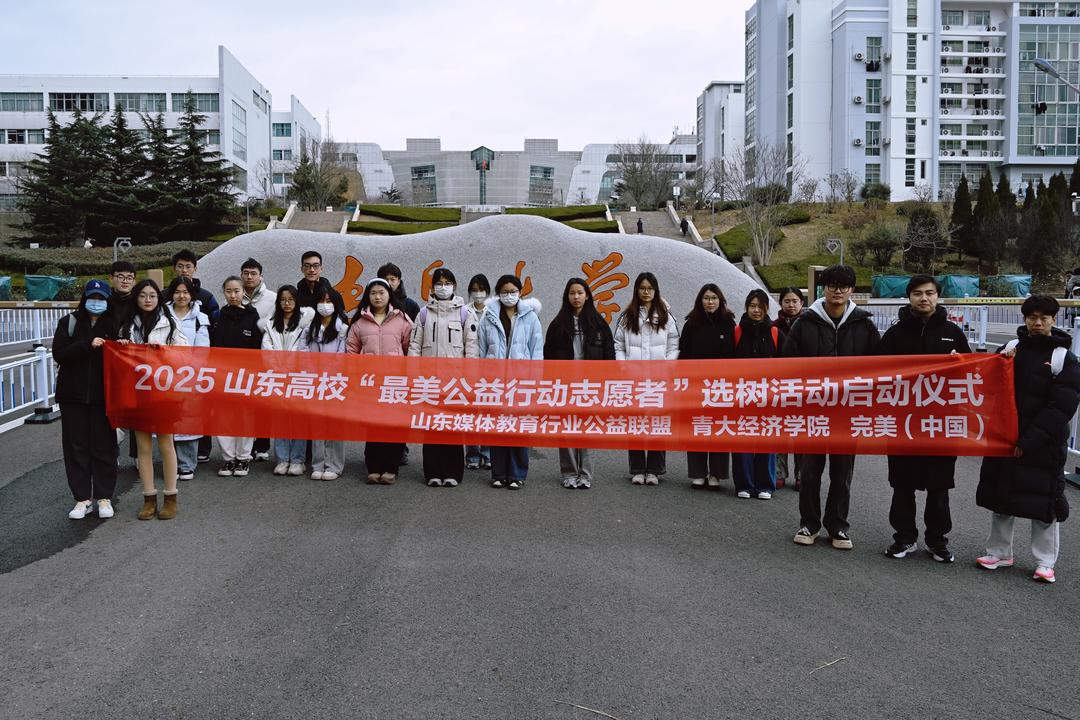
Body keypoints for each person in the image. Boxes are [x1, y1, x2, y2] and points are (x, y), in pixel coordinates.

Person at [976, 294, 1079, 584]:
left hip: (1044, 443)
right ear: (1024, 319)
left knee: (1045, 504)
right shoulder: (1010, 348)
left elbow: (1062, 407)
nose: (1037, 323)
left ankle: (1045, 562)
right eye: (1032, 317)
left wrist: (1029, 441)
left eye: (1044, 318)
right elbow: (986, 384)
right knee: (1001, 497)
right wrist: (1000, 363)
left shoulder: (1063, 358)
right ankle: (998, 552)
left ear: (1054, 320)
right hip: (1005, 438)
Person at [783, 264, 879, 550]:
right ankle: (809, 524)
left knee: (842, 473)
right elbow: (788, 365)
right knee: (810, 471)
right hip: (812, 411)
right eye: (832, 285)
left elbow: (880, 366)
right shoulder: (805, 323)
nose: (838, 291)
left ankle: (838, 526)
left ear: (852, 290)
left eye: (844, 286)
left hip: (848, 413)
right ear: (823, 289)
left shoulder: (863, 325)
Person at [877, 275, 971, 562]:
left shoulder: (953, 333)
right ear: (909, 297)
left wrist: (960, 363)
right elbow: (878, 374)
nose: (924, 298)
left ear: (937, 296)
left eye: (930, 293)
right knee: (902, 485)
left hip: (941, 423)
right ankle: (904, 538)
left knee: (939, 486)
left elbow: (972, 373)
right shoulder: (894, 335)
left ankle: (937, 541)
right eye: (917, 293)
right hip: (904, 422)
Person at [118, 279, 188, 520]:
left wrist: (163, 351)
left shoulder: (169, 323)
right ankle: (148, 499)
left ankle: (170, 497)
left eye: (152, 296)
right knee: (143, 448)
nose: (148, 300)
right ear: (136, 298)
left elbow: (184, 354)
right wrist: (123, 346)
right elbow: (119, 362)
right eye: (143, 295)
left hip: (163, 392)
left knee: (166, 444)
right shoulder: (127, 325)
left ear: (159, 299)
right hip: (138, 393)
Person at [408, 268, 479, 487]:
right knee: (431, 427)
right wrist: (414, 377)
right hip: (429, 382)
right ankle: (432, 472)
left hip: (455, 383)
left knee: (452, 427)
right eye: (439, 283)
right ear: (432, 288)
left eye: (447, 283)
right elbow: (414, 347)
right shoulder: (423, 314)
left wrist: (470, 380)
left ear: (454, 286)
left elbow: (472, 348)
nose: (443, 287)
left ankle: (452, 473)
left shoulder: (465, 313)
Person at [54, 280, 119, 520]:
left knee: (104, 447)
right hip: (72, 396)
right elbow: (59, 353)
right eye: (93, 297)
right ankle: (82, 499)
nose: (97, 302)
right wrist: (86, 346)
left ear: (108, 301)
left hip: (104, 398)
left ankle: (104, 497)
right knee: (76, 447)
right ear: (85, 298)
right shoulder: (69, 322)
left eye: (101, 298)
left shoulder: (114, 324)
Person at [544, 277, 615, 489]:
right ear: (567, 297)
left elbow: (609, 356)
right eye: (572, 293)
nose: (576, 297)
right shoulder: (557, 325)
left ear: (587, 296)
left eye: (580, 293)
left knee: (586, 429)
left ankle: (585, 474)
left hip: (590, 386)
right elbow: (548, 358)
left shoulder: (599, 324)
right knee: (566, 429)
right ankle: (569, 473)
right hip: (565, 385)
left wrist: (606, 384)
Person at [478, 274, 544, 489]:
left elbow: (536, 350)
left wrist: (535, 382)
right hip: (495, 382)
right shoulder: (488, 316)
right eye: (504, 292)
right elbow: (481, 350)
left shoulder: (530, 317)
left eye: (513, 291)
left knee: (519, 427)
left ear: (520, 292)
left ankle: (517, 474)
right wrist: (481, 379)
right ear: (498, 293)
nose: (509, 295)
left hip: (521, 381)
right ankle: (498, 473)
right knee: (497, 427)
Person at [614, 272, 680, 485]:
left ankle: (654, 470)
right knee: (635, 423)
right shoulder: (627, 316)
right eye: (642, 288)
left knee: (657, 423)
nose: (646, 292)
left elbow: (674, 345)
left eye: (650, 288)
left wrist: (667, 367)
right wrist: (623, 367)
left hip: (658, 380)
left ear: (655, 290)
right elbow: (618, 345)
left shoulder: (666, 316)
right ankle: (637, 469)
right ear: (636, 290)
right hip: (634, 379)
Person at [347, 278, 414, 484]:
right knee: (373, 425)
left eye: (382, 293)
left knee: (394, 425)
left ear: (389, 295)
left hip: (395, 383)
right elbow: (351, 351)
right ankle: (374, 467)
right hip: (371, 383)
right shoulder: (359, 322)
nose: (377, 297)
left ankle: (391, 468)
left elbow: (410, 349)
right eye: (373, 293)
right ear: (368, 296)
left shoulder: (402, 320)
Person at [679, 283, 735, 490]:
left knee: (719, 428)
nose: (710, 302)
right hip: (696, 386)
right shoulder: (691, 324)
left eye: (714, 298)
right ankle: (698, 473)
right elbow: (683, 354)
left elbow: (735, 356)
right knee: (698, 426)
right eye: (706, 298)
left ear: (720, 300)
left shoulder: (729, 323)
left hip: (721, 386)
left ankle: (716, 474)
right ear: (700, 301)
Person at [732, 289, 784, 500]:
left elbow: (786, 364)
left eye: (760, 307)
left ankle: (765, 485)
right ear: (746, 308)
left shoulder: (775, 333)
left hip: (768, 395)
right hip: (742, 394)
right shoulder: (737, 332)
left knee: (766, 439)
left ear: (766, 309)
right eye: (752, 306)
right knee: (742, 439)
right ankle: (744, 484)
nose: (756, 310)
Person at [211, 276, 263, 477]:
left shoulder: (253, 316)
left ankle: (243, 458)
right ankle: (228, 459)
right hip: (221, 376)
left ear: (243, 293)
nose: (233, 295)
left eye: (236, 291)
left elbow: (258, 349)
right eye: (229, 291)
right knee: (223, 418)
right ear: (224, 293)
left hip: (246, 377)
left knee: (245, 418)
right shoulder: (217, 316)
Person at [263, 285, 315, 475]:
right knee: (281, 419)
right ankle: (282, 459)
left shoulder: (305, 323)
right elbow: (266, 348)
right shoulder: (270, 323)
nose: (287, 303)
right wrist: (278, 368)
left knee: (298, 419)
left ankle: (298, 460)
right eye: (283, 300)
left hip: (298, 377)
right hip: (276, 377)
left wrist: (290, 367)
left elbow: (303, 349)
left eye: (291, 299)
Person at [302, 288, 350, 481]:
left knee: (335, 425)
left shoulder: (343, 328)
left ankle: (334, 465)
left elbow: (342, 355)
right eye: (321, 301)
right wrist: (312, 372)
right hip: (314, 382)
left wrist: (328, 372)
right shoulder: (309, 328)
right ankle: (318, 464)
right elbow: (303, 351)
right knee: (318, 425)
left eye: (329, 301)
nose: (325, 305)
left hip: (335, 383)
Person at [165, 277, 210, 482]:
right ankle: (170, 463)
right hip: (166, 375)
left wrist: (190, 371)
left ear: (192, 294)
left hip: (190, 376)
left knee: (188, 421)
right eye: (177, 292)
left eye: (185, 292)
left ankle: (186, 464)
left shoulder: (200, 317)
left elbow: (202, 350)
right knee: (168, 420)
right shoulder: (162, 314)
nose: (181, 296)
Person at [239, 257, 274, 462]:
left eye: (253, 273)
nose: (249, 277)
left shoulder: (273, 298)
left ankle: (262, 446)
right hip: (242, 359)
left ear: (261, 276)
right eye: (246, 273)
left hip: (264, 358)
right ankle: (245, 446)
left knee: (263, 405)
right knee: (244, 404)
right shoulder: (235, 296)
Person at [773, 286, 806, 490]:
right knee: (780, 431)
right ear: (781, 303)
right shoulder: (774, 327)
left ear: (801, 303)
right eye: (787, 301)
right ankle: (779, 472)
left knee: (800, 432)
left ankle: (802, 474)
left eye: (795, 301)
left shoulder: (809, 325)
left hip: (803, 387)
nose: (791, 305)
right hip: (779, 386)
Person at [465, 274, 493, 471]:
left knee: (489, 413)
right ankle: (472, 455)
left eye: (481, 290)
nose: (478, 293)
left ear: (488, 292)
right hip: (470, 370)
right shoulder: (463, 311)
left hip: (490, 370)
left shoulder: (494, 312)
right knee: (471, 414)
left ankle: (487, 453)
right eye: (474, 290)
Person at [171, 249, 220, 318]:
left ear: (195, 268)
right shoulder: (165, 295)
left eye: (188, 267)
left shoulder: (207, 297)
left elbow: (215, 320)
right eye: (180, 266)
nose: (184, 270)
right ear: (174, 268)